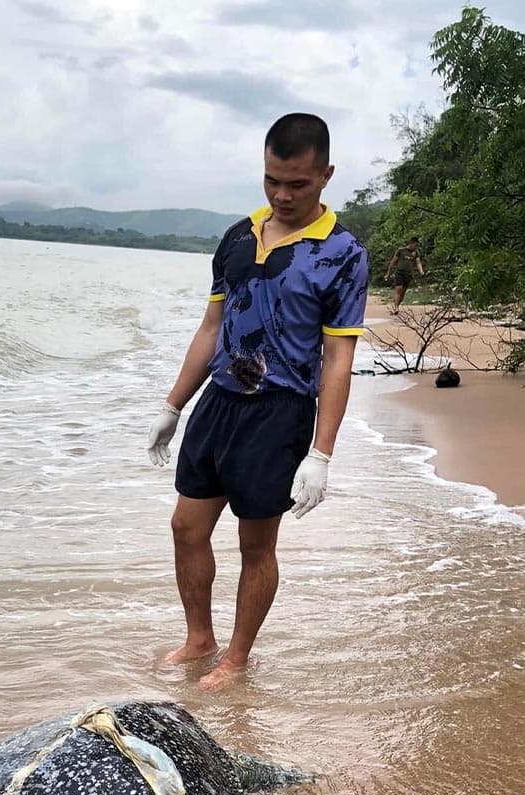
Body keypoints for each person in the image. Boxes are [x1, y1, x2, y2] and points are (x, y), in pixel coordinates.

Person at [147, 113, 368, 691]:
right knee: (185, 527)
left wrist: (321, 452)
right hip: (218, 403)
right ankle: (200, 638)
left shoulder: (343, 253)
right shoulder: (238, 236)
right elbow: (211, 327)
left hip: (279, 413)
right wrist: (172, 406)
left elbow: (338, 360)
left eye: (297, 183)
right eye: (272, 180)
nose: (282, 194)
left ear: (326, 175)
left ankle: (237, 658)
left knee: (255, 544)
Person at [384, 237, 424, 313]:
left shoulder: (416, 253)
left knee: (402, 293)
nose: (416, 247)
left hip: (408, 274)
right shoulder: (401, 251)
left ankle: (397, 305)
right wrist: (388, 273)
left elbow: (418, 262)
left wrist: (421, 271)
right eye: (415, 245)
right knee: (398, 289)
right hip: (399, 272)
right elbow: (393, 262)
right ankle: (396, 308)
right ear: (411, 243)